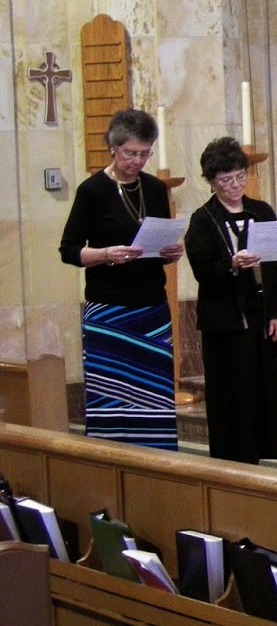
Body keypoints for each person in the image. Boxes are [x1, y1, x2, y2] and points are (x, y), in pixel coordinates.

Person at [58, 108, 186, 448]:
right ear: (113, 147)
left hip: (151, 310)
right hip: (109, 311)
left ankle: (155, 464)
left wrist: (170, 252)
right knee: (111, 398)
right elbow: (69, 250)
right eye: (131, 153)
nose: (138, 161)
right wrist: (105, 254)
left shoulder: (155, 188)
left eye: (145, 153)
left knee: (154, 398)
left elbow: (157, 241)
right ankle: (109, 462)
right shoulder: (92, 190)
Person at [183, 137, 277, 465]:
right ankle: (232, 461)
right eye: (226, 180)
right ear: (211, 181)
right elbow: (203, 271)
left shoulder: (261, 211)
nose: (235, 185)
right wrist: (231, 265)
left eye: (240, 177)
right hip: (224, 321)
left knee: (261, 389)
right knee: (230, 393)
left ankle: (261, 455)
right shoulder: (203, 219)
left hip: (260, 314)